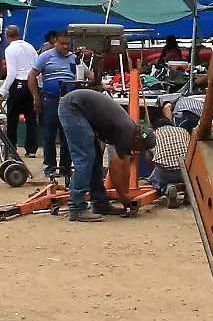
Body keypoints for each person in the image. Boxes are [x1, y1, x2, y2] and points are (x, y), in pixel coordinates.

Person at [56, 88, 158, 222]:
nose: (137, 151)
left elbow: (124, 168)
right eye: (139, 148)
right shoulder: (126, 132)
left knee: (95, 157)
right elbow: (115, 170)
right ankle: (76, 207)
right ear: (138, 140)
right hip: (73, 107)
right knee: (85, 157)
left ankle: (100, 204)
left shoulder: (132, 132)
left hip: (77, 107)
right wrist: (125, 198)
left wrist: (125, 194)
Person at [29, 30, 78, 179]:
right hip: (50, 100)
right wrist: (36, 98)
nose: (65, 47)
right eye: (62, 44)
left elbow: (88, 74)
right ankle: (50, 166)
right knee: (49, 134)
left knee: (67, 135)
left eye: (68, 44)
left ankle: (65, 167)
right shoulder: (45, 57)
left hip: (68, 101)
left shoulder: (74, 58)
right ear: (55, 42)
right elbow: (31, 76)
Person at [0, 25, 38, 158]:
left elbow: (11, 73)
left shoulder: (10, 49)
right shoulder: (30, 47)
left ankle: (11, 146)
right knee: (30, 117)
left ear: (7, 37)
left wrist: (2, 91)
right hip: (32, 83)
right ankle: (31, 148)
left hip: (19, 83)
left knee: (12, 117)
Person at [147, 124, 190, 204]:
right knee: (189, 179)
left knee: (153, 179)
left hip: (165, 171)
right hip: (185, 171)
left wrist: (154, 170)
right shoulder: (183, 131)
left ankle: (168, 188)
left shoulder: (154, 134)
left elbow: (149, 156)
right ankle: (188, 191)